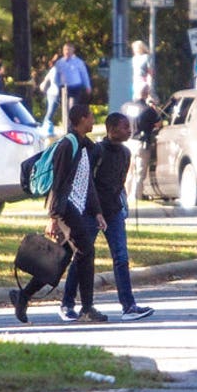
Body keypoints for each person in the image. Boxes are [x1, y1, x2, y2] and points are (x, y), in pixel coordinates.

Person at [11, 104, 106, 324]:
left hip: (76, 206)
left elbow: (86, 181)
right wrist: (53, 217)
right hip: (65, 208)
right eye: (91, 117)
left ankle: (23, 295)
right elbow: (58, 183)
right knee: (86, 250)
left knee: (60, 259)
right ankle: (87, 308)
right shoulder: (67, 145)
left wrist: (97, 211)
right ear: (81, 119)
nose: (93, 121)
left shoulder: (83, 145)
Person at [59, 113, 155, 322]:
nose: (129, 131)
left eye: (129, 127)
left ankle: (128, 306)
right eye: (124, 127)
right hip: (91, 213)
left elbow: (119, 183)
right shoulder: (97, 151)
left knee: (121, 258)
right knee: (82, 257)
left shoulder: (126, 153)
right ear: (111, 129)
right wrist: (93, 211)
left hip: (114, 212)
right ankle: (67, 303)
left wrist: (122, 206)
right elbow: (86, 181)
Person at [120, 85, 160, 202]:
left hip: (126, 143)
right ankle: (135, 197)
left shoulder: (125, 107)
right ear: (147, 94)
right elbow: (158, 124)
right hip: (141, 143)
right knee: (139, 173)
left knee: (128, 172)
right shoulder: (148, 110)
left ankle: (125, 197)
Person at [53, 43, 91, 109]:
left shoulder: (78, 62)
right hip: (64, 87)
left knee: (72, 106)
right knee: (65, 106)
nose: (67, 52)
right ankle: (66, 118)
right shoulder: (59, 63)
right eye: (65, 50)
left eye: (69, 50)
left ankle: (71, 118)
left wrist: (87, 86)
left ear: (73, 50)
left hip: (75, 87)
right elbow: (56, 76)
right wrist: (56, 86)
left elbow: (84, 75)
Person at [39, 54, 62, 135]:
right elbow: (57, 82)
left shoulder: (53, 69)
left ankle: (47, 129)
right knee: (50, 112)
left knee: (51, 111)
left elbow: (46, 79)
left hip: (51, 92)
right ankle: (45, 129)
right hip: (54, 93)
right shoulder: (56, 70)